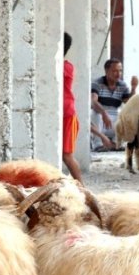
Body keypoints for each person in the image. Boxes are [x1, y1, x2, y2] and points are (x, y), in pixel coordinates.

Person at [91, 58, 131, 150]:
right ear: (106, 71)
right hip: (100, 117)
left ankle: (115, 144)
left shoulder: (122, 85)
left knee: (128, 116)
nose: (118, 74)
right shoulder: (97, 83)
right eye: (114, 71)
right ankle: (98, 144)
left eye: (120, 71)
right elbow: (93, 102)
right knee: (94, 114)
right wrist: (103, 113)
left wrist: (133, 88)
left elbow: (129, 103)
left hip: (114, 116)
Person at [61, 32, 84, 183]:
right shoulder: (66, 66)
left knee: (67, 155)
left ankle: (82, 187)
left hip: (67, 114)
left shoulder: (65, 67)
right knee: (65, 155)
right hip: (65, 113)